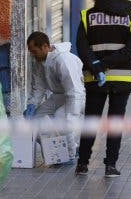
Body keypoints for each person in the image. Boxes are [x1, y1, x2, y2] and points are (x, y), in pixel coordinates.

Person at [75, 0, 131, 177]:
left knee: (91, 120)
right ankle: (110, 166)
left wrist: (97, 65)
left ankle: (83, 164)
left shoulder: (88, 16)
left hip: (96, 78)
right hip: (123, 78)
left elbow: (82, 46)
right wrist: (108, 63)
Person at [23, 31, 85, 162]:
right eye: (31, 52)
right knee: (35, 119)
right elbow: (39, 87)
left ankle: (72, 153)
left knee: (61, 119)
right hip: (59, 96)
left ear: (45, 46)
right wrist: (32, 103)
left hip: (76, 96)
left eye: (34, 51)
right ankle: (56, 152)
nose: (33, 55)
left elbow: (75, 91)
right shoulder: (40, 62)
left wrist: (72, 115)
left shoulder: (63, 60)